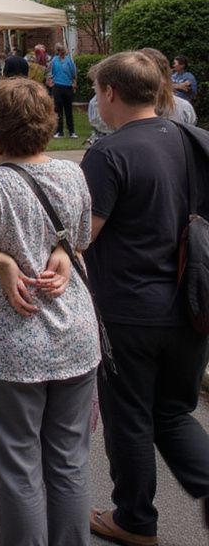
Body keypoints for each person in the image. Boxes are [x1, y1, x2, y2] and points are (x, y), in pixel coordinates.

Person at [0, 78, 100, 546]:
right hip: (74, 336)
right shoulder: (71, 174)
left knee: (18, 471)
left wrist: (1, 260)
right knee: (68, 464)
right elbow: (81, 236)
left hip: (10, 343)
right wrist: (64, 252)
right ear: (47, 124)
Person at [81, 52, 209, 543]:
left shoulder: (109, 154)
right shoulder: (193, 140)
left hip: (129, 307)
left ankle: (134, 518)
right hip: (193, 300)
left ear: (111, 93)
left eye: (97, 91)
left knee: (129, 415)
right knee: (173, 411)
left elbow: (85, 234)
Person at [137, 47, 197, 125]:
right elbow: (165, 85)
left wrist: (172, 85)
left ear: (182, 65)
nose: (173, 65)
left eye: (175, 63)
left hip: (175, 106)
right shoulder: (173, 75)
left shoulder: (189, 76)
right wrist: (179, 86)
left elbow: (188, 89)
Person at [47, 43, 78, 138]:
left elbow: (74, 74)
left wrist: (74, 83)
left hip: (67, 87)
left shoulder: (69, 61)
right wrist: (50, 81)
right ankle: (59, 131)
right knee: (58, 110)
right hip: (57, 87)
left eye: (62, 50)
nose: (61, 52)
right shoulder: (54, 61)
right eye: (59, 50)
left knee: (68, 110)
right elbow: (49, 72)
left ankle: (71, 131)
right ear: (57, 51)